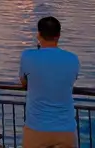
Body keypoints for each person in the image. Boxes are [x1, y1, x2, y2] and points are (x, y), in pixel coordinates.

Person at [18, 16, 79, 148]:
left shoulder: (27, 56)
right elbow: (70, 82)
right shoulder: (73, 59)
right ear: (59, 35)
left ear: (38, 35)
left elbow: (23, 82)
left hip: (36, 128)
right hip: (65, 129)